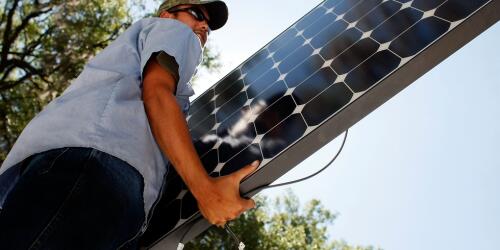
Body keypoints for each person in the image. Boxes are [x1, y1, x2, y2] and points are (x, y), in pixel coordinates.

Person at [0, 0, 258, 249]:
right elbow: (157, 92)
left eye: (209, 27)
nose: (204, 27)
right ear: (168, 15)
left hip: (98, 181)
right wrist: (206, 191)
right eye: (197, 14)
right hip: (96, 170)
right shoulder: (173, 30)